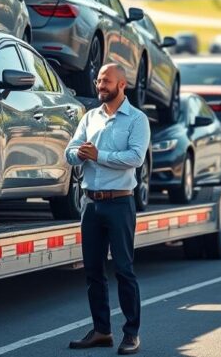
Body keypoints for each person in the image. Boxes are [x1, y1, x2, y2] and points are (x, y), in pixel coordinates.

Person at [64, 63, 150, 355]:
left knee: (124, 270)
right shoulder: (90, 117)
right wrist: (79, 153)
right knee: (93, 271)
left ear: (122, 85)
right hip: (91, 203)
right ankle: (101, 330)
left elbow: (135, 157)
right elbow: (70, 151)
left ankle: (131, 333)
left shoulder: (137, 120)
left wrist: (99, 155)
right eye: (99, 80)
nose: (100, 85)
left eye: (107, 81)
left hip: (120, 202)